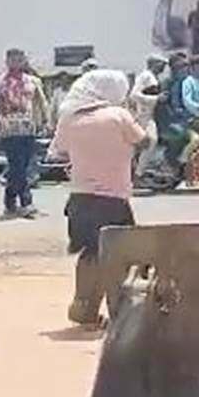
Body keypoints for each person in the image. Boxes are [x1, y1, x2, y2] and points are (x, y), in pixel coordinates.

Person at [49, 70, 147, 326]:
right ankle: (118, 309)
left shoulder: (70, 118)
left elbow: (59, 151)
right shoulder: (118, 115)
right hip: (113, 197)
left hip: (80, 197)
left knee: (89, 253)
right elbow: (144, 141)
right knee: (119, 255)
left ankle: (84, 305)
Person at [0, 48, 49, 217]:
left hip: (29, 129)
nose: (16, 63)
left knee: (22, 167)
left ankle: (10, 201)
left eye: (19, 59)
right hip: (8, 130)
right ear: (7, 61)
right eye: (13, 59)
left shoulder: (33, 81)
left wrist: (45, 121)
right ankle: (27, 203)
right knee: (18, 166)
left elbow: (41, 102)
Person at [130, 54, 167, 176]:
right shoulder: (145, 76)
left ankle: (138, 170)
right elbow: (134, 95)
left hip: (150, 115)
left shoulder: (154, 77)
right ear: (154, 64)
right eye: (161, 64)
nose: (163, 67)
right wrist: (155, 99)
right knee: (150, 140)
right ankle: (138, 173)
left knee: (145, 143)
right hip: (142, 115)